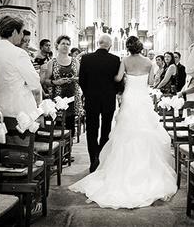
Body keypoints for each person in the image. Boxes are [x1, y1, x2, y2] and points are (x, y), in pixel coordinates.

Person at [69, 36, 177, 209]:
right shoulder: (143, 61)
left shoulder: (115, 60)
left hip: (112, 98)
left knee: (106, 130)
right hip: (137, 99)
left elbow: (114, 78)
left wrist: (123, 79)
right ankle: (136, 166)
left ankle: (97, 161)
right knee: (133, 130)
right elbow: (148, 82)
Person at [78, 34, 121, 172]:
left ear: (98, 43)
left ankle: (92, 160)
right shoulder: (115, 59)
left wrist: (88, 93)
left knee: (91, 130)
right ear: (110, 45)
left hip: (91, 99)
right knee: (106, 130)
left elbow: (82, 80)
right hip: (108, 100)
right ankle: (100, 158)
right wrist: (113, 92)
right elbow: (118, 81)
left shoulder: (86, 58)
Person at [0, 16, 41, 118]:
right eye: (21, 32)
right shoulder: (19, 53)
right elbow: (34, 82)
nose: (22, 36)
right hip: (18, 109)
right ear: (13, 32)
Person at [41, 35, 83, 138]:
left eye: (68, 44)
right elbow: (45, 81)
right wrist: (56, 82)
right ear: (57, 45)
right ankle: (59, 149)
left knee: (70, 125)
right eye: (63, 43)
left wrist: (75, 79)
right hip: (57, 97)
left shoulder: (75, 61)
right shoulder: (52, 62)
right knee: (58, 125)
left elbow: (81, 78)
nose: (65, 46)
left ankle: (69, 150)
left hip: (72, 96)